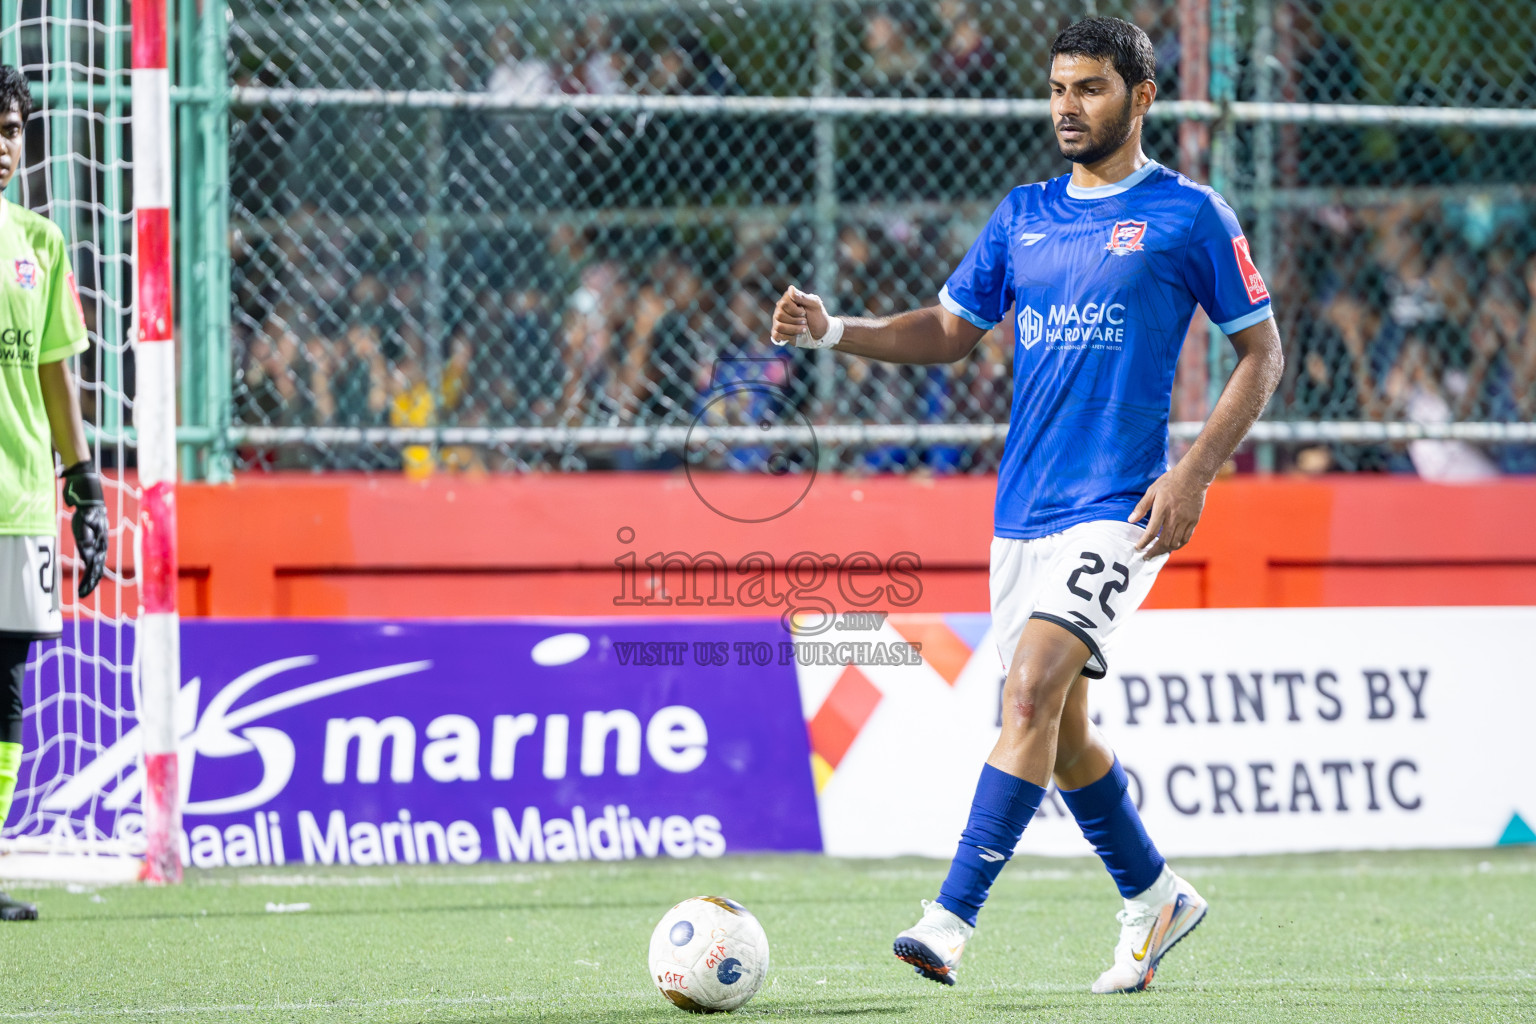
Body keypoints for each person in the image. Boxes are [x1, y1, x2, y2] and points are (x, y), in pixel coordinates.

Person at [771, 18, 1283, 993]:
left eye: (1089, 88)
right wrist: (836, 328)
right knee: (1065, 732)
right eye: (1057, 88)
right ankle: (1154, 895)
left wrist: (1192, 474)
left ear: (1141, 98)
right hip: (1023, 513)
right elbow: (951, 331)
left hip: (1121, 505)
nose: (1066, 107)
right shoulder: (1023, 214)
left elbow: (1264, 355)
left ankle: (949, 919)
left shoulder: (1190, 214)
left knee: (1029, 689)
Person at [0, 65, 108, 921]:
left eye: (11, 130)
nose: (2, 147)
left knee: (3, 687)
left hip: (21, 505)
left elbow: (52, 372)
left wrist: (84, 486)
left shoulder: (39, 241)